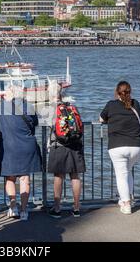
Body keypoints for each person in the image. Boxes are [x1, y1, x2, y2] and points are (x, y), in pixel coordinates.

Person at [0, 86, 41, 221]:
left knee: (10, 178)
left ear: (11, 94)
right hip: (27, 146)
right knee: (25, 179)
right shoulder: (28, 106)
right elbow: (35, 122)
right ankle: (24, 211)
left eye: (6, 93)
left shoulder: (3, 106)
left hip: (9, 146)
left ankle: (13, 208)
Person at [100, 81, 140, 215]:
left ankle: (126, 204)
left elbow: (101, 118)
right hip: (137, 146)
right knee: (128, 171)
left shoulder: (111, 104)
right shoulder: (135, 104)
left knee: (121, 175)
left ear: (117, 92)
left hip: (118, 146)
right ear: (130, 92)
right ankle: (128, 198)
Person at [48, 84, 85, 218]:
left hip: (59, 145)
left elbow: (49, 125)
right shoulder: (71, 106)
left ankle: (57, 208)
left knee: (59, 176)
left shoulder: (51, 108)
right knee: (75, 176)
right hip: (75, 144)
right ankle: (76, 208)